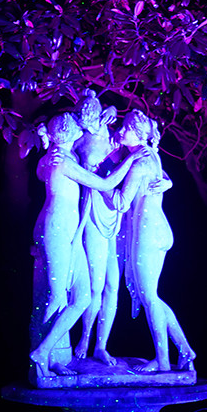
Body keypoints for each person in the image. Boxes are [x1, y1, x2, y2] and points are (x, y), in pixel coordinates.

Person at [29, 112, 148, 378]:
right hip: (57, 230)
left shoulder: (64, 156)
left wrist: (46, 144)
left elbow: (41, 171)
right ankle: (44, 357)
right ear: (72, 133)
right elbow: (106, 183)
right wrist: (130, 160)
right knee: (56, 296)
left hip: (69, 232)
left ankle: (49, 353)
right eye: (78, 127)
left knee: (81, 297)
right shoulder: (62, 160)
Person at [116, 110, 196, 373]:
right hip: (158, 229)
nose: (121, 132)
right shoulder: (152, 154)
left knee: (150, 298)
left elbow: (121, 202)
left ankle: (162, 361)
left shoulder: (138, 163)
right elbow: (162, 178)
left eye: (126, 129)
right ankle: (185, 350)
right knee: (153, 297)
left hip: (148, 234)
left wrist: (93, 183)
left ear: (138, 133)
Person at [72, 90, 124, 365]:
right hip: (93, 209)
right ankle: (85, 336)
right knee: (96, 285)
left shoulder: (111, 132)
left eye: (92, 119)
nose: (90, 124)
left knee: (113, 285)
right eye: (85, 121)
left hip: (115, 211)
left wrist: (113, 107)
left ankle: (101, 346)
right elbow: (56, 133)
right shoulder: (79, 138)